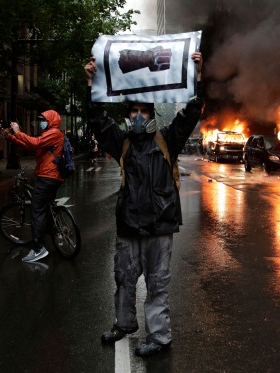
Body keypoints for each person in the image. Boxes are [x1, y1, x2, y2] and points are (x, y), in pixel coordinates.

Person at [84, 51, 204, 356]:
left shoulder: (168, 140)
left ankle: (159, 336)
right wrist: (90, 83)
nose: (138, 116)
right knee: (124, 277)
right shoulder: (120, 141)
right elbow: (97, 120)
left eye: (144, 112)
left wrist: (197, 76)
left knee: (156, 283)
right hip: (129, 226)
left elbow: (191, 113)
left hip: (160, 226)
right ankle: (123, 324)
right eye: (133, 111)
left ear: (153, 116)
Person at [2, 110, 64, 263]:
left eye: (43, 120)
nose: (41, 122)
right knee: (45, 207)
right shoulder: (48, 134)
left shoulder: (54, 133)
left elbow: (34, 143)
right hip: (48, 176)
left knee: (37, 210)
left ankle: (38, 248)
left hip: (48, 177)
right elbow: (31, 146)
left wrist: (18, 132)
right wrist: (11, 136)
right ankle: (53, 234)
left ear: (51, 120)